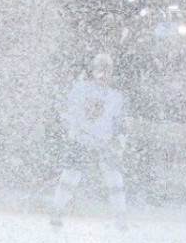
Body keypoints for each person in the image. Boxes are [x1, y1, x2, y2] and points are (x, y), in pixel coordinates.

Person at [50, 53, 129, 231]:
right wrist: (72, 130)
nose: (103, 73)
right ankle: (56, 211)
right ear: (93, 70)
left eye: (107, 69)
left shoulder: (115, 97)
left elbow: (119, 123)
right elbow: (68, 110)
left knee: (114, 179)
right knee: (70, 176)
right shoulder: (80, 89)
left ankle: (121, 217)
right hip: (81, 140)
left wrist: (118, 141)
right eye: (100, 68)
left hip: (104, 143)